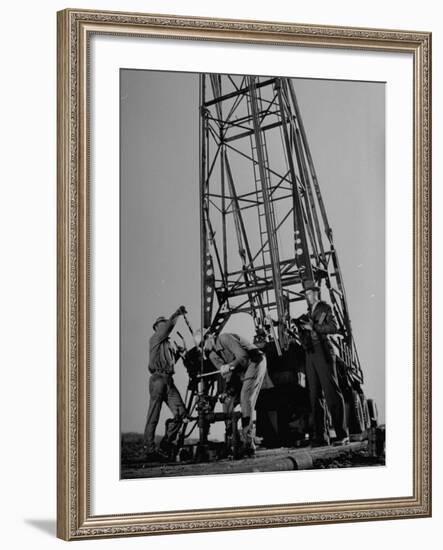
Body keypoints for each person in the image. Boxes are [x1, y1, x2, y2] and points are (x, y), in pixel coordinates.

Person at [299, 280, 349, 446]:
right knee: (314, 396)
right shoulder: (308, 312)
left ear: (316, 293)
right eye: (306, 294)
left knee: (331, 393)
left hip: (323, 352)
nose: (308, 296)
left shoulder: (325, 308)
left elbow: (334, 327)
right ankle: (320, 437)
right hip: (310, 354)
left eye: (310, 293)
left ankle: (342, 435)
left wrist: (313, 327)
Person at [203, 331, 268, 456]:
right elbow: (227, 375)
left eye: (204, 343)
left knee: (245, 397)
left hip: (255, 361)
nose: (204, 347)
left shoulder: (224, 338)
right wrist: (228, 391)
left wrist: (229, 366)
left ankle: (248, 442)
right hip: (241, 370)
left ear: (210, 337)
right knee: (228, 400)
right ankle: (232, 441)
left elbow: (243, 356)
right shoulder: (211, 355)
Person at [143, 306, 187, 462]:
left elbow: (171, 363)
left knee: (181, 412)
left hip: (168, 380)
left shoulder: (167, 345)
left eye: (164, 323)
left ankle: (165, 445)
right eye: (161, 324)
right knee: (153, 416)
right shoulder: (155, 338)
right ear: (156, 328)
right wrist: (177, 314)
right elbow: (169, 326)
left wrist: (179, 355)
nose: (163, 325)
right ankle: (149, 449)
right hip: (157, 380)